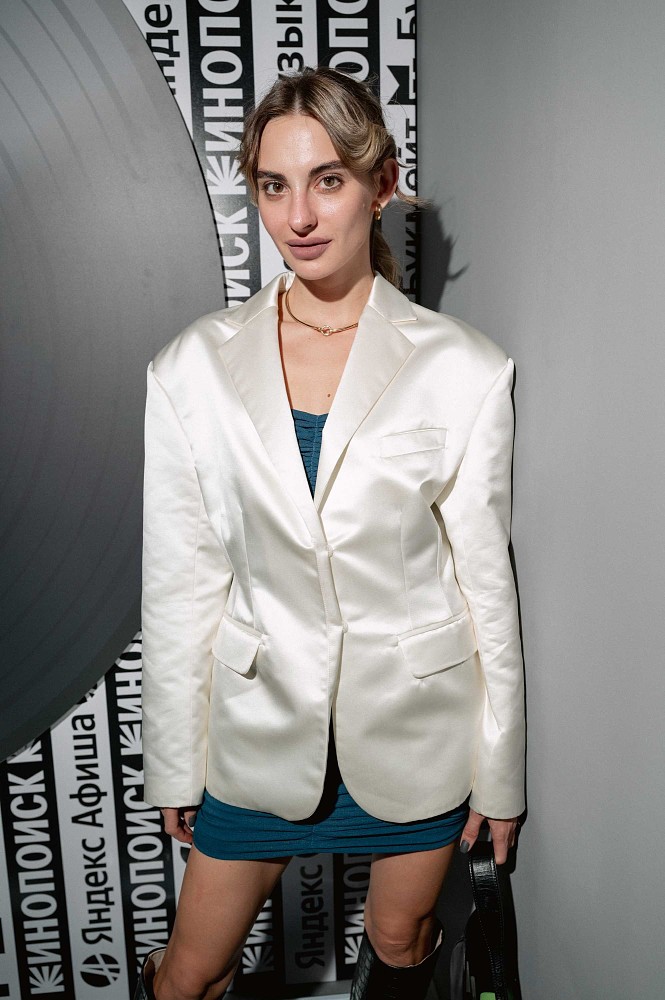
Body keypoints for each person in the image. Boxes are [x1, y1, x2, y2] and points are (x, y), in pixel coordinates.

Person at [136, 66, 525, 1000]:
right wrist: (174, 762)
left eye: (328, 180)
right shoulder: (190, 368)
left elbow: (485, 583)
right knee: (188, 975)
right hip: (259, 730)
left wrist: (501, 772)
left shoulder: (464, 368)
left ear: (380, 184)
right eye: (274, 186)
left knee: (400, 940)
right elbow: (182, 581)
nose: (299, 216)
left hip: (415, 736)